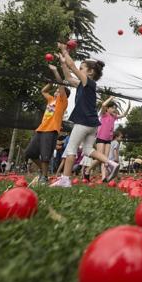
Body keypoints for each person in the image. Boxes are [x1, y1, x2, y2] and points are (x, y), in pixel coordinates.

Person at [50, 43, 116, 187]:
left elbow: (72, 66)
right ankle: (110, 163)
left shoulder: (88, 82)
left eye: (82, 68)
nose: (78, 70)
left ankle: (65, 180)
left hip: (84, 121)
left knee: (71, 149)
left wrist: (64, 51)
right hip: (92, 125)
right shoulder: (83, 83)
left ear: (90, 72)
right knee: (87, 150)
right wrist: (63, 63)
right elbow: (68, 76)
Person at [25, 65, 71, 184]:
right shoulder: (51, 100)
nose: (56, 91)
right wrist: (50, 83)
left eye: (58, 91)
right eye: (55, 90)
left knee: (45, 155)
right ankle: (43, 171)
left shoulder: (63, 101)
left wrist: (56, 71)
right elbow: (43, 91)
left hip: (51, 130)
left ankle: (44, 178)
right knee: (30, 152)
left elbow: (61, 85)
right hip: (41, 129)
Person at [92, 97, 130, 182]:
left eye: (115, 108)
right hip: (100, 138)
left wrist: (128, 108)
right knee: (100, 158)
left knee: (105, 159)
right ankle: (87, 170)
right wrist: (111, 97)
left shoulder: (114, 117)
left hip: (108, 140)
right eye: (112, 107)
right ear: (107, 109)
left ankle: (104, 177)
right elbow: (103, 105)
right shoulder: (103, 114)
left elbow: (124, 115)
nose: (114, 109)